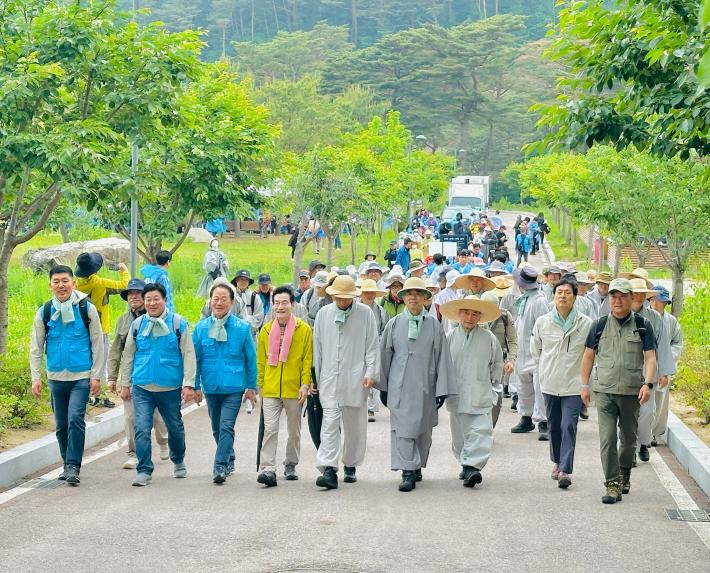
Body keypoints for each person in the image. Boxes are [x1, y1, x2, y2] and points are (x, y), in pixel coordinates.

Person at [580, 278, 657, 504]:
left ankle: (624, 473)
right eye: (614, 296)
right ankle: (612, 483)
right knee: (607, 439)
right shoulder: (599, 325)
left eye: (623, 296)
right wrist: (584, 385)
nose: (617, 300)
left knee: (629, 440)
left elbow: (650, 357)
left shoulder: (643, 325)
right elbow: (587, 356)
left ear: (632, 298)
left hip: (632, 392)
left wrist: (648, 383)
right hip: (604, 391)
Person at [378, 277, 455, 492]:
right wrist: (383, 386)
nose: (413, 297)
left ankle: (417, 463)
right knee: (402, 429)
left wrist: (442, 389)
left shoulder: (434, 325)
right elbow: (385, 355)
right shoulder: (394, 324)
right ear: (403, 298)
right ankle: (407, 470)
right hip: (399, 384)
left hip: (425, 384)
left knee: (423, 429)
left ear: (424, 298)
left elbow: (442, 357)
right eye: (409, 293)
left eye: (418, 294)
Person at [30, 266, 105, 485]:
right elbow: (36, 347)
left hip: (80, 375)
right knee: (61, 424)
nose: (61, 285)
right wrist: (36, 377)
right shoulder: (44, 311)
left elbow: (98, 343)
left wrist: (96, 376)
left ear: (73, 283)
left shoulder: (86, 309)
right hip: (55, 377)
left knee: (75, 419)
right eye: (56, 281)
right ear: (50, 285)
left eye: (65, 281)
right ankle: (66, 464)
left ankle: (73, 465)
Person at [119, 283, 196, 487]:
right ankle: (144, 470)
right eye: (148, 300)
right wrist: (124, 383)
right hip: (142, 386)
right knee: (141, 428)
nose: (152, 303)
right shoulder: (137, 326)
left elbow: (188, 354)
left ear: (165, 300)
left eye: (156, 299)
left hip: (169, 387)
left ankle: (178, 459)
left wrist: (189, 384)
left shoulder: (178, 324)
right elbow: (128, 355)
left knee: (175, 427)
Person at [312, 276, 379, 489]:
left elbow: (372, 346)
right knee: (329, 422)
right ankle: (328, 468)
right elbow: (318, 349)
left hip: (356, 378)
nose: (342, 302)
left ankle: (351, 464)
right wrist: (316, 377)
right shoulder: (324, 315)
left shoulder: (365, 314)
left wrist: (371, 372)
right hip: (330, 378)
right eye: (338, 298)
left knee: (355, 425)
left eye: (346, 298)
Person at [531, 277, 593, 490]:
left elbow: (591, 354)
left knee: (568, 425)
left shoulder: (586, 324)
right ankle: (557, 461)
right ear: (553, 297)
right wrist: (544, 370)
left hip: (574, 384)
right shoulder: (543, 322)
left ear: (575, 297)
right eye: (559, 293)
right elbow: (535, 350)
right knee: (554, 426)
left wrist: (587, 383)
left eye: (568, 293)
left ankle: (565, 469)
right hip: (550, 382)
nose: (563, 296)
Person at [193, 280, 257, 484]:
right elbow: (195, 359)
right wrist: (194, 386)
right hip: (211, 385)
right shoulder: (201, 328)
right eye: (215, 299)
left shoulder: (241, 328)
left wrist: (251, 387)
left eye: (223, 299)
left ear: (231, 303)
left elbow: (251, 358)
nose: (219, 303)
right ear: (210, 301)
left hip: (234, 386)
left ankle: (220, 466)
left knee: (226, 426)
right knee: (216, 428)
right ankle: (229, 456)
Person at [441, 297, 503, 488]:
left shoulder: (488, 338)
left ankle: (472, 467)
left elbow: (496, 363)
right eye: (466, 312)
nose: (470, 317)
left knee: (479, 431)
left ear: (480, 317)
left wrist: (495, 385)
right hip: (456, 393)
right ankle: (464, 461)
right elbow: (442, 365)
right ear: (459, 314)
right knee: (459, 435)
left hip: (480, 390)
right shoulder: (450, 337)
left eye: (475, 313)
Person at [107, 278, 169, 469]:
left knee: (158, 416)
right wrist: (112, 377)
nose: (133, 297)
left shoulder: (163, 318)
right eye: (130, 294)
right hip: (131, 377)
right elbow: (115, 350)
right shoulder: (123, 321)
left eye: (137, 293)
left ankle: (164, 441)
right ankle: (134, 453)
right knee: (131, 417)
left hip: (156, 375)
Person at [256, 286, 313, 487]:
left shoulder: (304, 330)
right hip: (271, 389)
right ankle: (268, 468)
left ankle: (290, 464)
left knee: (294, 431)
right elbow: (261, 361)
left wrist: (305, 384)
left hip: (293, 389)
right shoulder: (266, 330)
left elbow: (307, 359)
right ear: (272, 305)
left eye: (284, 302)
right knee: (270, 429)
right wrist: (260, 385)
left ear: (292, 305)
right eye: (276, 303)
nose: (280, 306)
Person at [74, 252, 130, 407]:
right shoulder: (100, 283)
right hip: (100, 329)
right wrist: (123, 269)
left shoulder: (76, 285)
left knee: (85, 363)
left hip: (80, 331)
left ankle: (84, 395)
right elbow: (125, 285)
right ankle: (100, 396)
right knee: (101, 362)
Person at [628, 278, 674, 463]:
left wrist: (664, 371)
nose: (639, 296)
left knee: (647, 412)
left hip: (649, 371)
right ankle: (628, 449)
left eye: (642, 293)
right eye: (635, 292)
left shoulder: (654, 317)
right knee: (626, 413)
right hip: (626, 371)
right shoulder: (621, 314)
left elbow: (662, 345)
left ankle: (644, 443)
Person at [510, 267, 551, 439]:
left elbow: (544, 328)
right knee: (523, 387)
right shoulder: (524, 299)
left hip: (535, 352)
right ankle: (526, 417)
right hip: (522, 351)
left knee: (539, 388)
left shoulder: (539, 301)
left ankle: (544, 422)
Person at [649, 285, 683, 445]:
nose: (655, 304)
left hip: (663, 366)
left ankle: (654, 433)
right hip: (645, 365)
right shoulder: (643, 316)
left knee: (660, 402)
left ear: (665, 303)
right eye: (653, 300)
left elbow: (677, 342)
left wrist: (668, 356)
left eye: (660, 301)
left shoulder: (671, 321)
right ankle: (642, 434)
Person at [359, 279, 389, 422]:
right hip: (358, 348)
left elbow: (384, 330)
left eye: (372, 292)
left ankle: (371, 408)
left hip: (375, 346)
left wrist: (378, 341)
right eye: (366, 292)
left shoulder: (381, 311)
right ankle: (358, 406)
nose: (369, 295)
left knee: (373, 377)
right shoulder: (355, 309)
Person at [489, 276, 518, 426]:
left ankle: (490, 426)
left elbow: (513, 340)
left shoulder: (505, 316)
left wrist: (511, 360)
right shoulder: (477, 315)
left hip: (499, 363)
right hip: (479, 362)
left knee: (497, 397)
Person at [231, 270, 264, 337]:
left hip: (250, 335)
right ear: (236, 281)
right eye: (241, 279)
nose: (243, 282)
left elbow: (259, 318)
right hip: (232, 334)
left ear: (249, 282)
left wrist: (243, 320)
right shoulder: (230, 296)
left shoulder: (255, 297)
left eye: (246, 280)